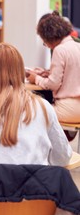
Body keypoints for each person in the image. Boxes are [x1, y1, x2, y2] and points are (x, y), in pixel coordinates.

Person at [27, 11, 80, 140]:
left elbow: (53, 84)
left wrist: (37, 78)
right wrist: (49, 73)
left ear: (48, 36)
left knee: (30, 110)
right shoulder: (77, 45)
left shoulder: (59, 50)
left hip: (68, 109)